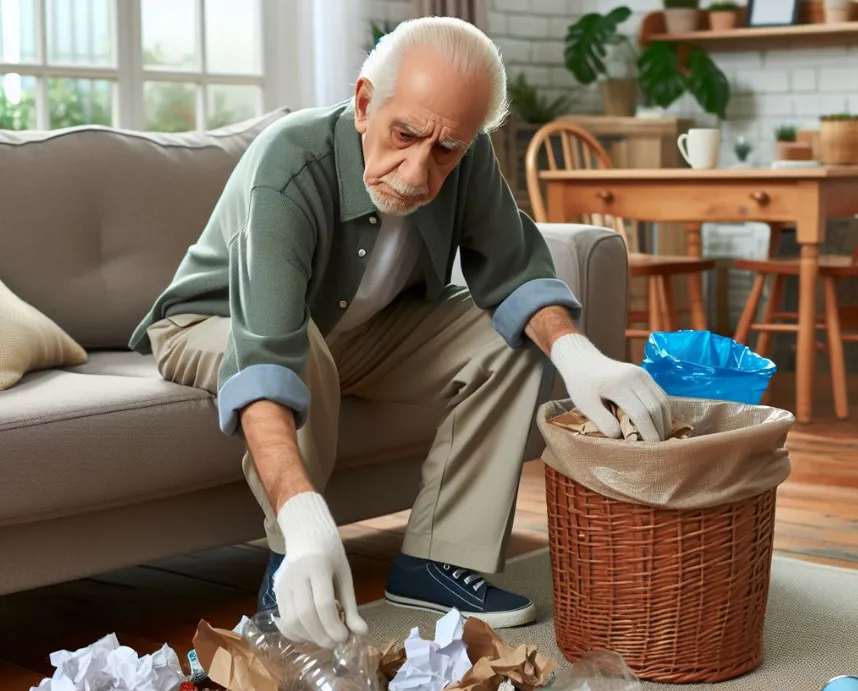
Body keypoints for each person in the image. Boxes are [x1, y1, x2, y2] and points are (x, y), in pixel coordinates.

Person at [129, 17, 671, 649]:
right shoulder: (289, 163)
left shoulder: (461, 156)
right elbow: (268, 355)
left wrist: (579, 356)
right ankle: (290, 575)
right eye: (405, 134)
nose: (419, 171)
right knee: (301, 347)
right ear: (365, 104)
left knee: (517, 337)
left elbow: (515, 271)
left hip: (353, 331)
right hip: (214, 322)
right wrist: (301, 518)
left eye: (446, 149)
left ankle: (435, 566)